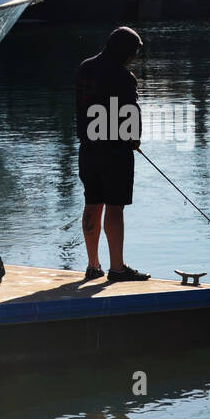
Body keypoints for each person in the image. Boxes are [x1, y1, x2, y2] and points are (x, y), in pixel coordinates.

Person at [76, 26, 150, 283]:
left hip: (88, 149)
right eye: (133, 53)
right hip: (114, 152)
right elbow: (130, 115)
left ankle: (92, 265)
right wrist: (134, 140)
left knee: (92, 203)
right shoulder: (123, 76)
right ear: (125, 51)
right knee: (114, 208)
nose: (134, 59)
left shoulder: (85, 68)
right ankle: (117, 268)